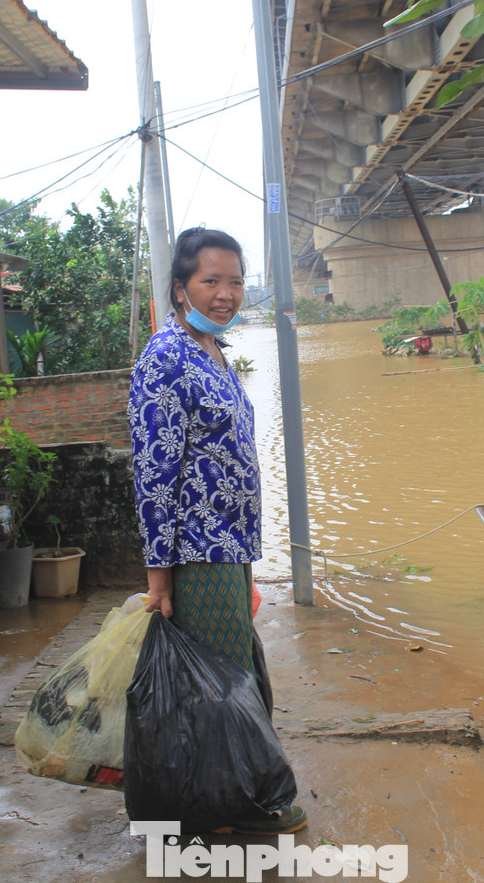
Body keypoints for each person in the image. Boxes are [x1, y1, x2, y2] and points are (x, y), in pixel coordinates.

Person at [127, 226, 307, 835]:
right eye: (211, 281)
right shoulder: (167, 357)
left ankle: (226, 801)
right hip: (197, 553)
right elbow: (154, 474)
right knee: (219, 686)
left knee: (230, 673)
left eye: (235, 281)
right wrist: (158, 577)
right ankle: (233, 810)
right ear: (181, 287)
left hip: (230, 547)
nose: (226, 293)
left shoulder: (212, 350)